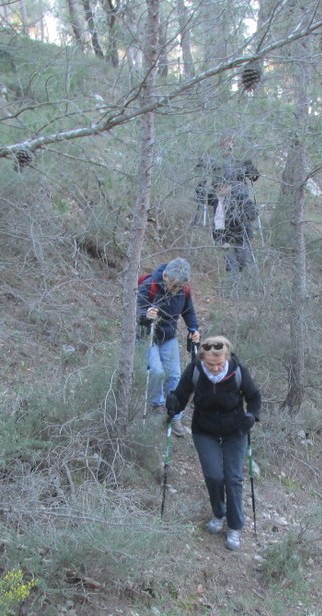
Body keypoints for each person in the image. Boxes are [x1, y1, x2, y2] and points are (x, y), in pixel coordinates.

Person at [166, 335, 261, 551]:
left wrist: (252, 416)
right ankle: (219, 513)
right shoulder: (196, 370)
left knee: (233, 478)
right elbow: (181, 395)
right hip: (205, 430)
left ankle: (235, 526)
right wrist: (173, 405)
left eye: (219, 363)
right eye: (210, 364)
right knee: (213, 476)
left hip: (235, 430)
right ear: (202, 360)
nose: (216, 368)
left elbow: (254, 397)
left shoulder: (237, 371)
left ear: (226, 356)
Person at [137, 257, 200, 435]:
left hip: (168, 336)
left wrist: (194, 329)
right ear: (165, 276)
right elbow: (136, 309)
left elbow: (189, 311)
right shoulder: (150, 285)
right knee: (156, 371)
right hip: (147, 335)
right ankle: (156, 405)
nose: (176, 289)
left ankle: (174, 416)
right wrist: (146, 314)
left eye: (179, 287)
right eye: (174, 285)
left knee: (175, 376)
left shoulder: (184, 290)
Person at [195, 138, 260, 274]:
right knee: (231, 264)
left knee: (245, 263)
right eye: (225, 144)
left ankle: (245, 286)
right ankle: (233, 284)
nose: (227, 147)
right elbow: (200, 195)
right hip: (224, 235)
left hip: (241, 232)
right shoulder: (215, 196)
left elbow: (255, 176)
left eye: (230, 144)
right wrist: (202, 179)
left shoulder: (240, 163)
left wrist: (243, 217)